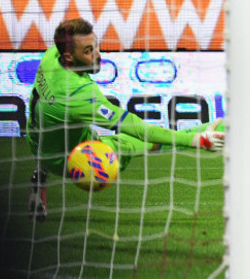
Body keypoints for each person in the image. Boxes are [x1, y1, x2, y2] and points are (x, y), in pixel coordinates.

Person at [26, 18, 225, 221]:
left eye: (96, 46)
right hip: (69, 158)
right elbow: (135, 127)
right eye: (88, 51)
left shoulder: (52, 56)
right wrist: (193, 141)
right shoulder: (78, 95)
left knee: (72, 134)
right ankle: (204, 135)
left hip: (36, 140)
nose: (98, 56)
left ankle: (40, 170)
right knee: (135, 144)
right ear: (68, 58)